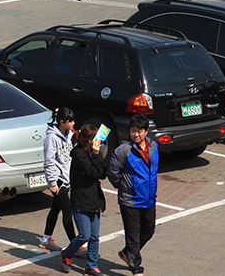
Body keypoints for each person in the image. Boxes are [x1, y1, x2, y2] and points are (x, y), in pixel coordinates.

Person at [108, 113, 159, 276]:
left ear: (146, 131)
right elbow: (112, 171)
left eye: (139, 131)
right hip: (130, 201)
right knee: (133, 235)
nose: (135, 134)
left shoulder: (154, 147)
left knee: (149, 231)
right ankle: (135, 267)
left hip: (149, 199)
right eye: (133, 131)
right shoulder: (124, 150)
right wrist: (123, 186)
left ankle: (127, 253)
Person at [57, 123, 108, 275]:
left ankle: (91, 265)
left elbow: (102, 173)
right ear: (88, 141)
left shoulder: (90, 153)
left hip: (94, 199)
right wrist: (97, 154)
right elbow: (94, 172)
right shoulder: (80, 155)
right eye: (95, 139)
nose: (98, 142)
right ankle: (67, 254)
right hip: (80, 200)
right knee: (84, 235)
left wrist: (96, 155)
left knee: (94, 237)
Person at [39, 107, 76, 253]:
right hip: (58, 182)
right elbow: (49, 161)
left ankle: (46, 239)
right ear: (61, 122)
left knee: (55, 209)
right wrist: (52, 183)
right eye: (70, 121)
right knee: (67, 211)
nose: (73, 123)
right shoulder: (51, 138)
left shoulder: (69, 134)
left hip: (66, 179)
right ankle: (75, 244)